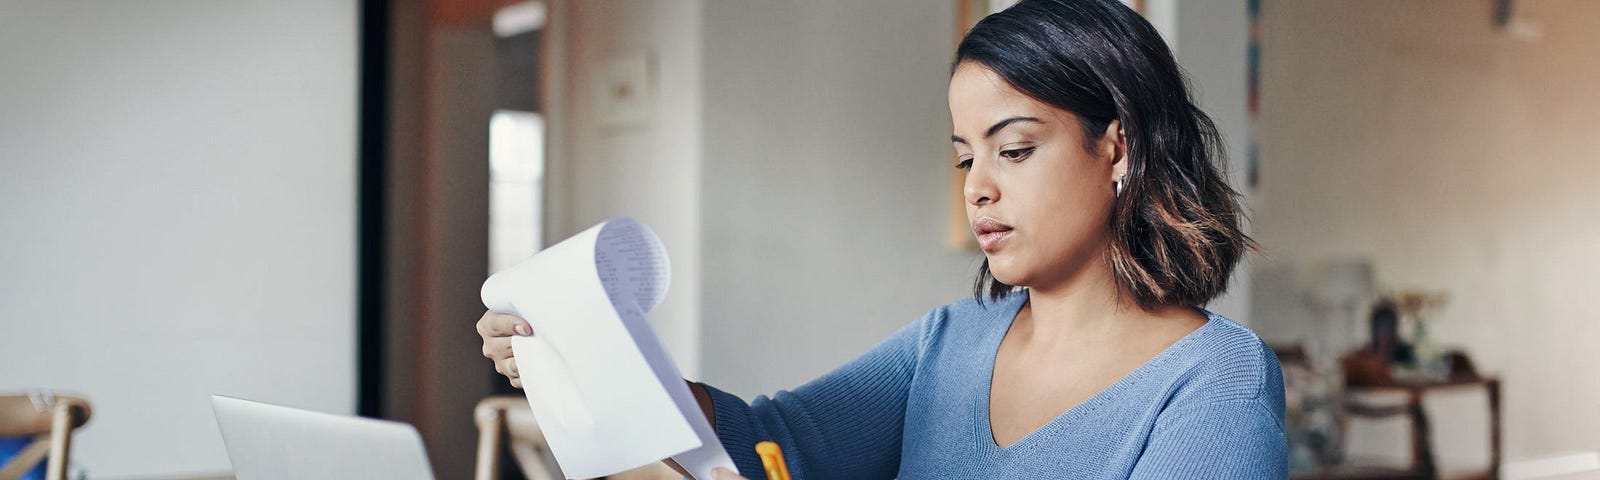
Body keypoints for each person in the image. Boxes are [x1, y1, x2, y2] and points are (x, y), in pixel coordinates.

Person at [477, 0, 1286, 478]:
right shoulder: (946, 346)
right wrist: (585, 355)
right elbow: (774, 445)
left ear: (1118, 147)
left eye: (1013, 148)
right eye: (966, 156)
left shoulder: (1217, 383)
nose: (978, 184)